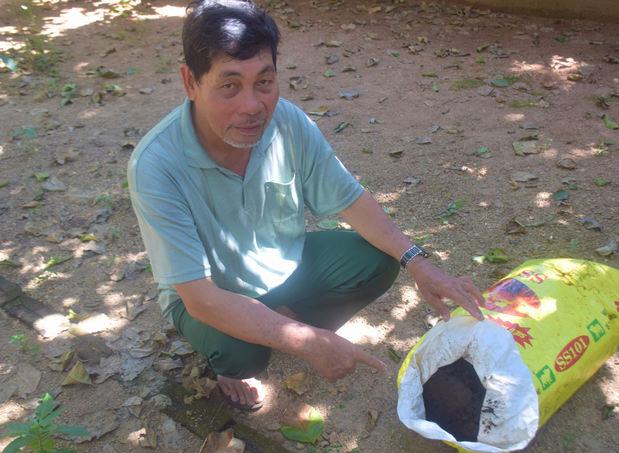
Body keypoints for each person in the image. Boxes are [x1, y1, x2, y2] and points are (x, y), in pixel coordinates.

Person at [128, 0, 486, 411]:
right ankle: (251, 348)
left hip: (283, 267)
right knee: (243, 355)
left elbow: (351, 199)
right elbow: (201, 299)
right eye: (229, 85)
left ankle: (275, 320)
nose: (252, 106)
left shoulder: (289, 123)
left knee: (379, 260)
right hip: (211, 295)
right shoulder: (156, 165)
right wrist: (309, 340)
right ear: (190, 82)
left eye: (264, 82)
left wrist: (419, 263)